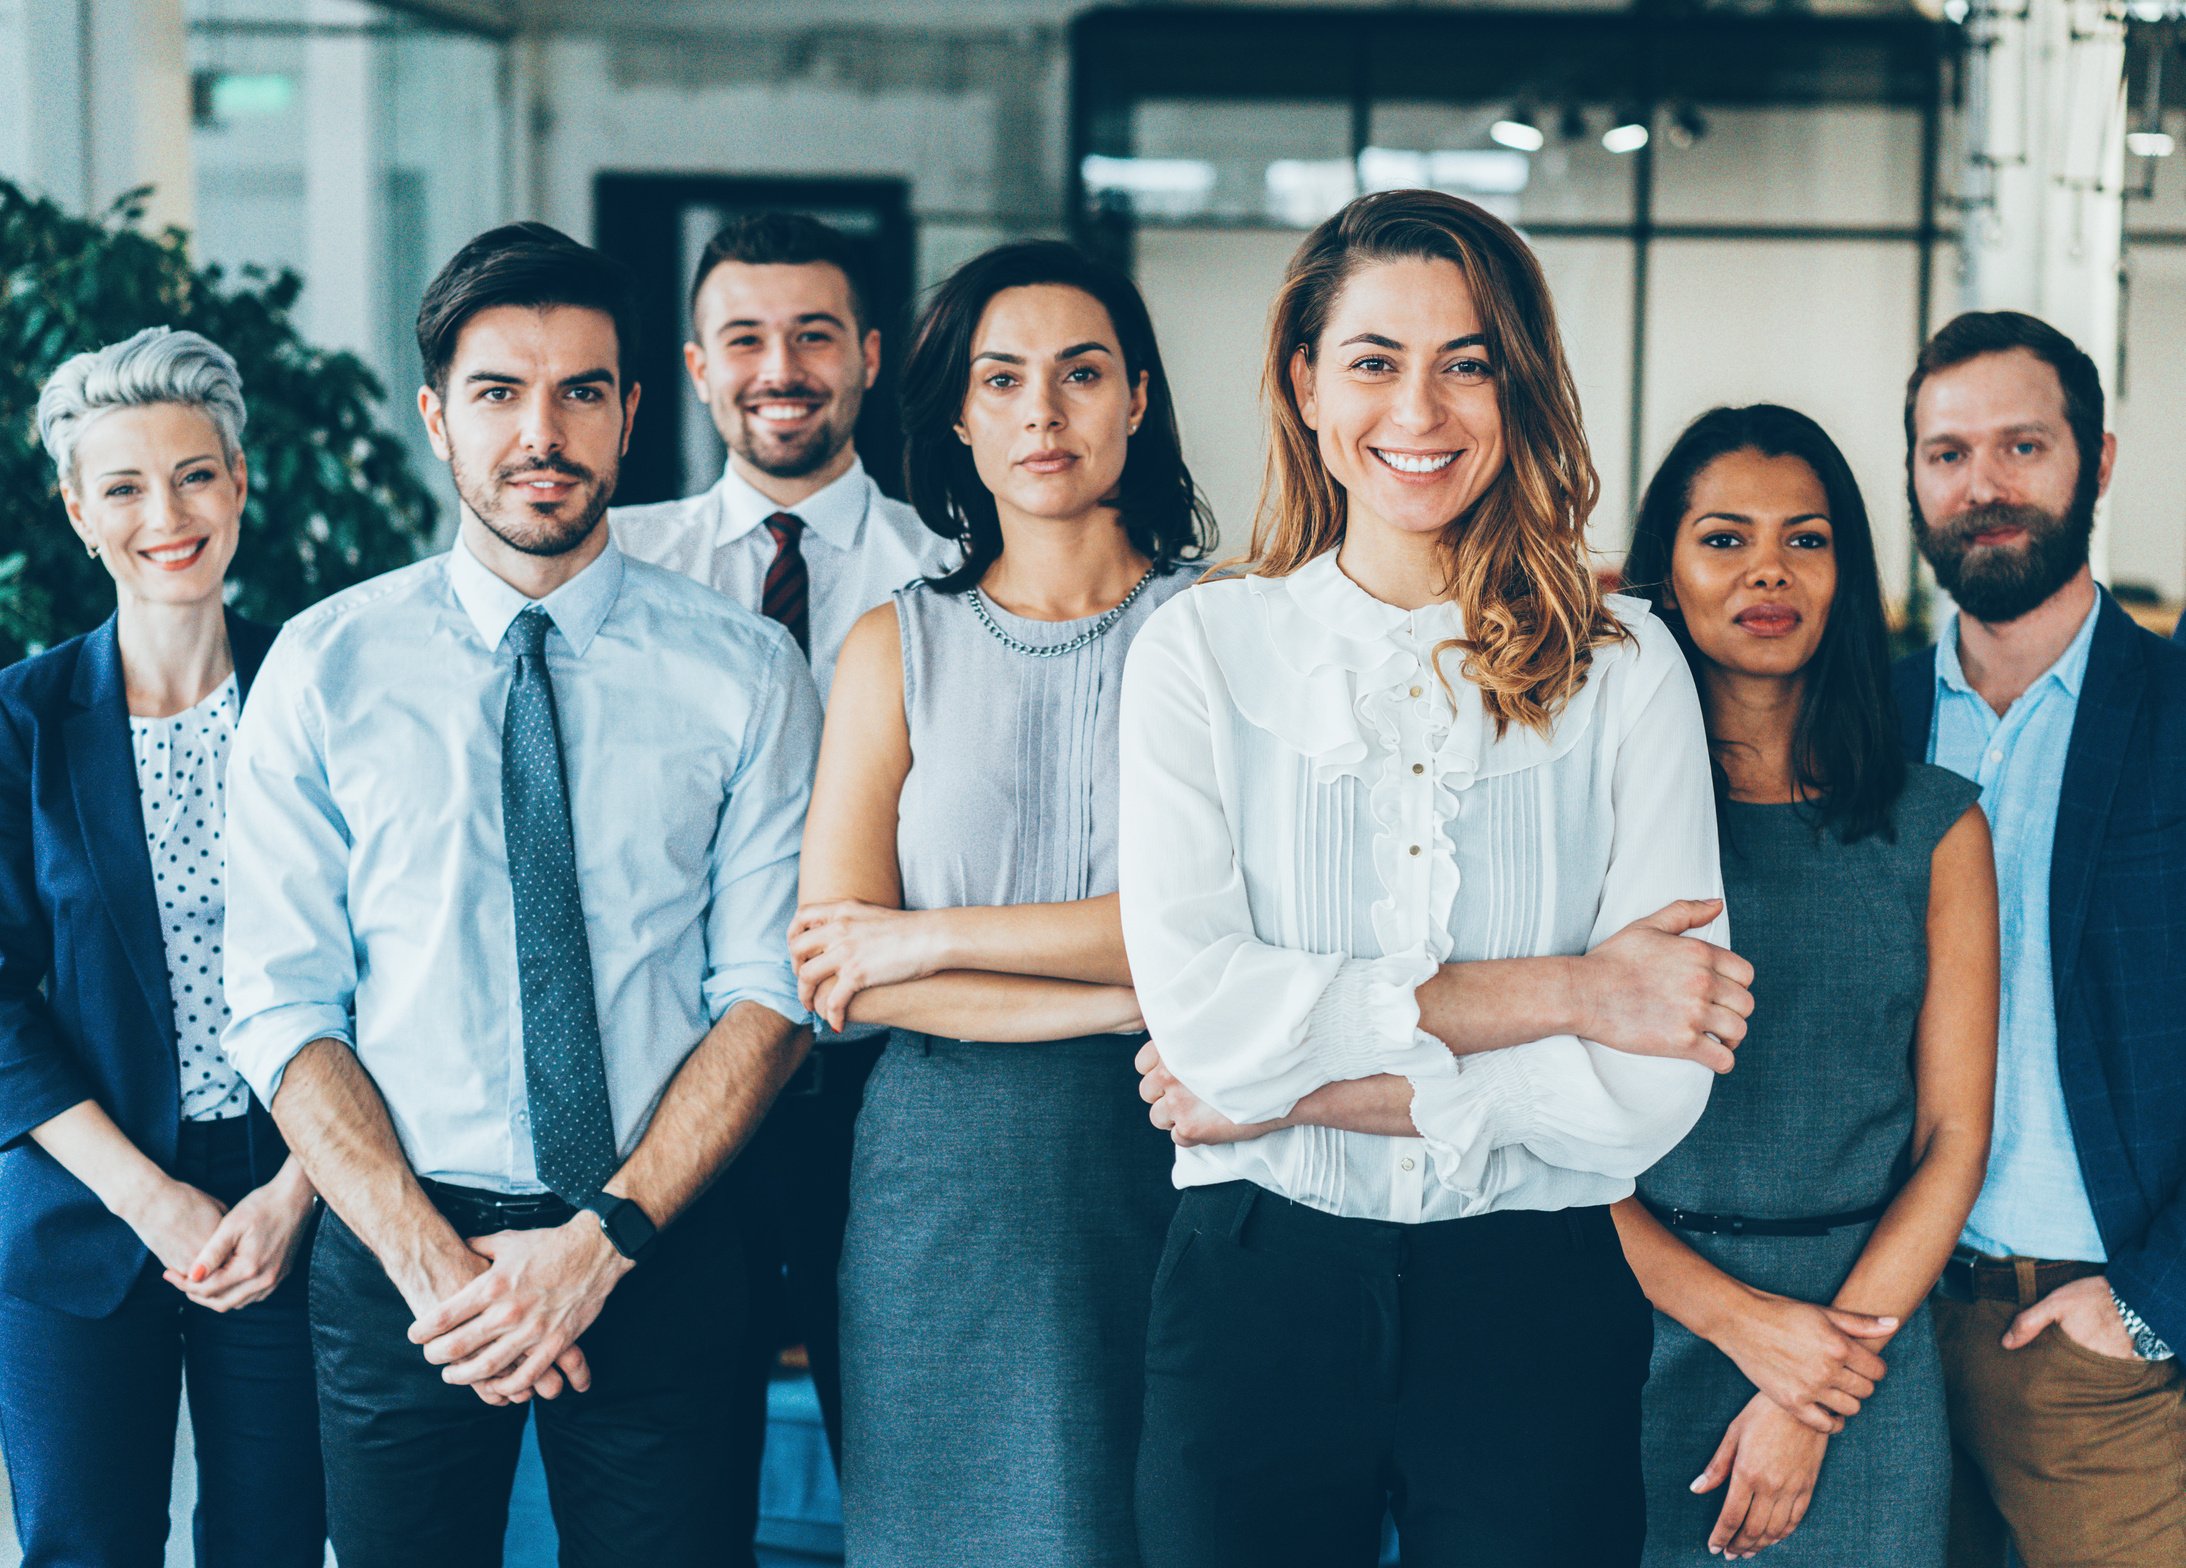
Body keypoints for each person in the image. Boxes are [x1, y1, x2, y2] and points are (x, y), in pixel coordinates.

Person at [1120, 189, 1752, 1568]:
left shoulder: (1626, 670)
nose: (1422, 408)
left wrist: (1299, 1088)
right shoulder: (1201, 652)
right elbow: (1204, 1022)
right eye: (1373, 361)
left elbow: (1646, 1093)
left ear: (1517, 384)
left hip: (1531, 1295)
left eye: (1467, 361)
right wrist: (1573, 990)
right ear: (1303, 380)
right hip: (1256, 1286)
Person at [218, 223, 822, 1568]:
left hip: (658, 1246)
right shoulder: (325, 671)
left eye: (580, 393)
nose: (539, 431)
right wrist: (440, 1269)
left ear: (631, 414)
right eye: (498, 392)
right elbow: (279, 1001)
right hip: (400, 1263)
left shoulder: (746, 675)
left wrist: (598, 1245)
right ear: (436, 417)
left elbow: (768, 996)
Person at [791, 239, 1209, 1568]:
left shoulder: (1228, 633)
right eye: (1002, 379)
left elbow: (1231, 935)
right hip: (942, 1177)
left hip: (1180, 1148)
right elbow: (838, 978)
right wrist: (1127, 988)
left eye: (1080, 374)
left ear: (1136, 401)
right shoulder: (890, 645)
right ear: (960, 418)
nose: (1042, 412)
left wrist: (931, 936)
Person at [609, 213, 952, 1518]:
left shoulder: (952, 575)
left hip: (892, 1086)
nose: (780, 366)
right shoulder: (618, 571)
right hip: (677, 1086)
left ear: (867, 356)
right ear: (694, 368)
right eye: (743, 337)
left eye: (814, 334)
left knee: (904, 1451)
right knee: (678, 1479)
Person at [1617, 403, 1999, 1564]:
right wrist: (1740, 1324)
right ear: (1665, 572)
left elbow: (1950, 1134)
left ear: (1846, 571)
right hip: (1629, 1315)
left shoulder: (1933, 825)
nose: (1767, 570)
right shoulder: (1598, 823)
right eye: (1722, 538)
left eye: (1807, 538)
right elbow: (1534, 1134)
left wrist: (1807, 1385)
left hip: (1860, 1344)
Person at [0, 327, 325, 1565]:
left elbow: (394, 962)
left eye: (194, 473)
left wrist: (299, 1185)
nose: (166, 513)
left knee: (278, 1540)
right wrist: (151, 1199)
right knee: (85, 1545)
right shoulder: (19, 720)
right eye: (124, 486)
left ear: (240, 481)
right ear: (79, 511)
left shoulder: (327, 689)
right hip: (84, 1207)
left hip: (297, 1194)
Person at [1893, 310, 2186, 1568]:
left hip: (2094, 1352)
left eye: (2022, 445)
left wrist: (2151, 1306)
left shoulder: (2170, 714)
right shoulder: (1864, 718)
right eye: (1946, 452)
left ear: (2098, 462)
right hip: (1884, 1336)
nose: (1982, 485)